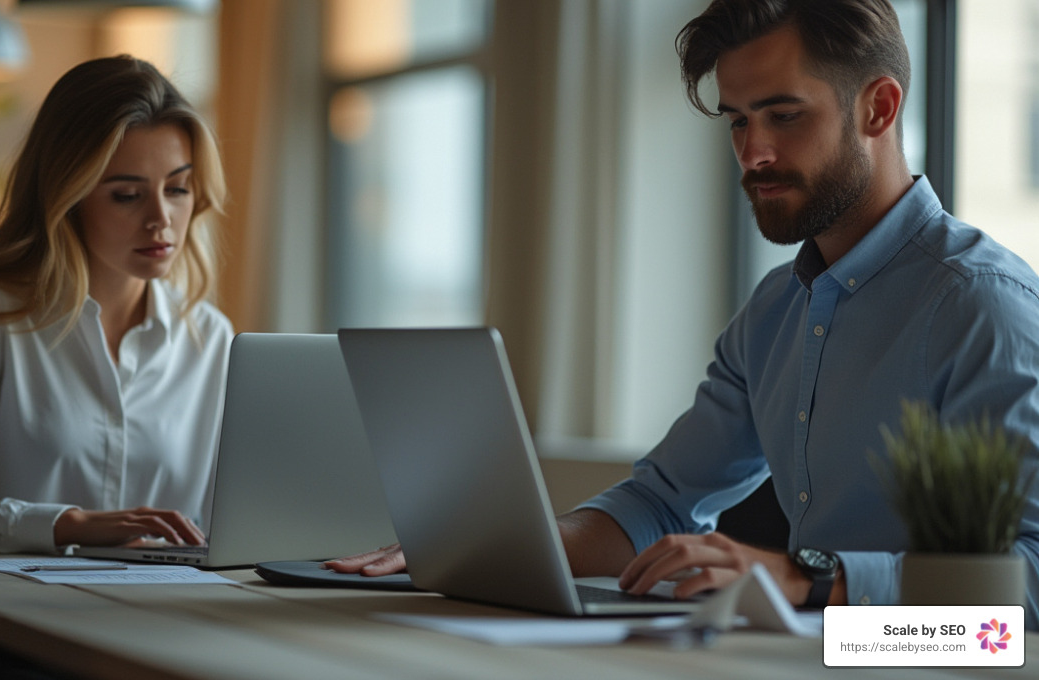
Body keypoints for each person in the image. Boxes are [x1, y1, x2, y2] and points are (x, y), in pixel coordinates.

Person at [328, 0, 1039, 630]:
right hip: (809, 655)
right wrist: (483, 551)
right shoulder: (775, 311)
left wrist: (811, 577)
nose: (753, 153)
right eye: (738, 120)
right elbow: (661, 503)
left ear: (878, 108)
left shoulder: (983, 305)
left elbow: (1030, 576)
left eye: (784, 115)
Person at [0, 55, 233, 679]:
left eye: (177, 188)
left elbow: (224, 530)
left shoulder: (210, 339)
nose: (161, 218)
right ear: (68, 197)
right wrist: (68, 525)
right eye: (127, 194)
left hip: (140, 642)